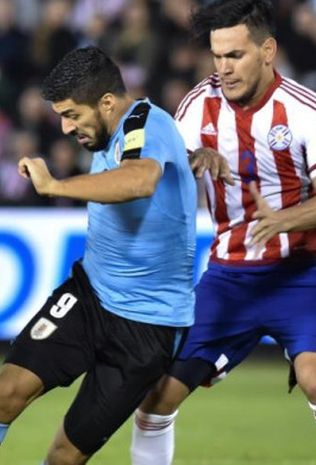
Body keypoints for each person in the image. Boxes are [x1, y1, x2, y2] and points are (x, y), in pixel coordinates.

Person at [0, 46, 197, 465]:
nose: (65, 128)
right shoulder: (113, 131)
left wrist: (56, 187)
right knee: (5, 392)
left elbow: (139, 180)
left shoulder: (147, 122)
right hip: (89, 296)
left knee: (66, 456)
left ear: (106, 102)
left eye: (72, 115)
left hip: (148, 324)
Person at [130, 2, 316, 464]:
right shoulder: (197, 106)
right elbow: (158, 173)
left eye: (235, 55)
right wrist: (189, 161)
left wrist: (285, 220)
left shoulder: (304, 111)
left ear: (267, 50)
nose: (224, 68)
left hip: (304, 276)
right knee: (155, 400)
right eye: (217, 56)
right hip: (229, 278)